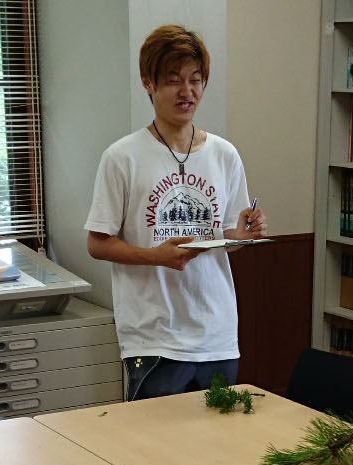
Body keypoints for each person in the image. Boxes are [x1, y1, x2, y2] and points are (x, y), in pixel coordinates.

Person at [85, 23, 268, 400]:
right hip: (154, 339)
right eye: (173, 81)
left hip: (217, 334)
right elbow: (97, 243)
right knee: (154, 453)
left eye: (196, 80)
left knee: (217, 449)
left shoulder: (224, 154)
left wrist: (243, 236)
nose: (187, 92)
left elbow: (224, 239)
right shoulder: (122, 157)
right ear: (148, 83)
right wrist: (155, 257)